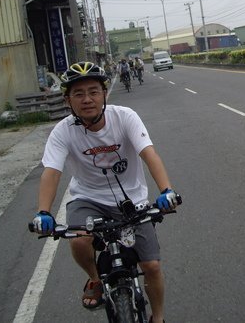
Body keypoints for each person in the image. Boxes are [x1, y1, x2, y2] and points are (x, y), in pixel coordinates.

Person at [31, 61, 181, 323]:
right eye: (78, 94)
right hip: (87, 198)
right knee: (78, 239)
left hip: (133, 201)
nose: (87, 99)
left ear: (104, 93)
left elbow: (149, 154)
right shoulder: (62, 131)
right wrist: (43, 212)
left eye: (93, 91)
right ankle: (94, 278)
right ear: (68, 100)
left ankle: (158, 318)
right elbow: (51, 172)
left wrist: (166, 190)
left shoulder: (125, 117)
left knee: (152, 266)